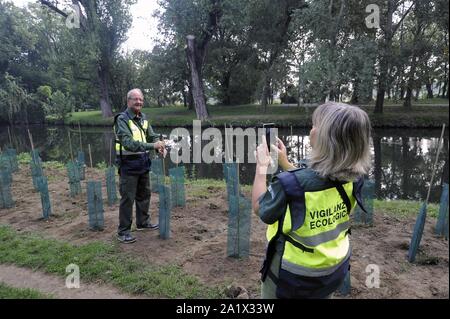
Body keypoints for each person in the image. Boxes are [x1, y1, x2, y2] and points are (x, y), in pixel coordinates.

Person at [252, 102, 371, 299]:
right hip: (332, 269)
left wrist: (261, 168)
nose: (311, 128)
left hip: (293, 276)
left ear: (325, 139)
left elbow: (260, 208)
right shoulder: (355, 178)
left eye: (315, 125)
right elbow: (315, 183)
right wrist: (286, 164)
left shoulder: (286, 184)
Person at [114, 88, 165, 244]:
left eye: (141, 99)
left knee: (144, 194)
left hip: (143, 163)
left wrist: (159, 145)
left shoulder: (143, 117)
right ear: (128, 101)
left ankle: (142, 222)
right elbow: (129, 143)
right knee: (128, 198)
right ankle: (123, 232)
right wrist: (153, 145)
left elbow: (152, 135)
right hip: (128, 165)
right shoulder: (121, 119)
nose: (139, 102)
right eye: (135, 99)